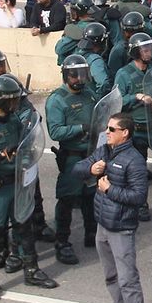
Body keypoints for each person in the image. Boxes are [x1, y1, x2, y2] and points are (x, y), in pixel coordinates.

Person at [0, 74, 58, 302]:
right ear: (1, 101)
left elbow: (25, 145)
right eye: (13, 100)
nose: (17, 104)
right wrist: (1, 154)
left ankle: (31, 270)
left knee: (24, 227)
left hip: (18, 182)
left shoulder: (14, 121)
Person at [76, 114, 152, 303]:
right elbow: (77, 169)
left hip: (122, 228)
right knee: (111, 276)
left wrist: (110, 190)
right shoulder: (104, 151)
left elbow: (139, 197)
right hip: (103, 225)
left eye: (112, 129)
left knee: (128, 279)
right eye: (107, 128)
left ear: (125, 133)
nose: (107, 132)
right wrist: (91, 168)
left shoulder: (134, 160)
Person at [48, 56, 100, 265]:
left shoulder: (89, 94)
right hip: (72, 157)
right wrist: (80, 128)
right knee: (68, 199)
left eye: (82, 75)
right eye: (74, 75)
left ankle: (91, 232)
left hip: (91, 153)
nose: (79, 79)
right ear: (65, 76)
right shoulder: (57, 99)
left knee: (90, 195)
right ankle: (62, 242)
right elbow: (55, 131)